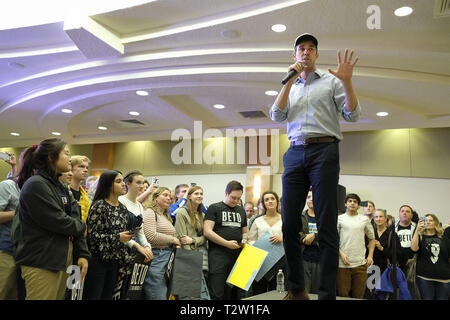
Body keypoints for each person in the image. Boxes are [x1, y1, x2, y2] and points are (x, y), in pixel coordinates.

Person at [269, 33, 361, 300]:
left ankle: (326, 293)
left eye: (311, 49)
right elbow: (276, 115)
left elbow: (352, 115)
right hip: (295, 151)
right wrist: (288, 81)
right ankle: (297, 289)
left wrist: (347, 82)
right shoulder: (291, 84)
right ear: (295, 56)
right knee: (288, 225)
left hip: (325, 150)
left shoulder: (332, 81)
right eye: (301, 49)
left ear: (317, 55)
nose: (306, 52)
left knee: (326, 224)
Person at [14, 139, 90, 300]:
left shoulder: (60, 187)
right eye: (66, 153)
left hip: (60, 260)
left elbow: (74, 215)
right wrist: (82, 227)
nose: (70, 159)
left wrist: (82, 253)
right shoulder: (36, 185)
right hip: (41, 262)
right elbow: (59, 221)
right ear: (51, 157)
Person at [83, 170, 137, 300]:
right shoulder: (99, 206)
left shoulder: (122, 208)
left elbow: (121, 239)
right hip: (97, 261)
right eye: (118, 181)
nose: (123, 184)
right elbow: (91, 236)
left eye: (123, 181)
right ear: (108, 185)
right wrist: (117, 237)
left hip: (114, 262)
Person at [203, 180, 248, 300]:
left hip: (236, 256)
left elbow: (245, 231)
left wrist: (244, 239)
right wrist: (226, 243)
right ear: (226, 193)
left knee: (232, 293)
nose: (236, 201)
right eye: (233, 197)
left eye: (238, 198)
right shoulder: (214, 208)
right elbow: (207, 231)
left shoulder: (241, 210)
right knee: (217, 292)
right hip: (218, 256)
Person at [141, 187, 180, 300]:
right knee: (157, 293)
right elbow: (150, 236)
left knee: (164, 293)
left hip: (166, 256)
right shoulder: (149, 212)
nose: (169, 198)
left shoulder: (165, 216)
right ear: (155, 197)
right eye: (165, 195)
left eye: (170, 197)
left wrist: (176, 241)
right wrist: (172, 240)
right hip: (156, 256)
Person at [337, 193, 375, 299]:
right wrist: (341, 253)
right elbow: (334, 240)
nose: (352, 203)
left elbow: (372, 239)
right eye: (350, 201)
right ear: (345, 204)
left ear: (358, 205)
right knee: (343, 296)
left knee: (358, 296)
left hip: (360, 264)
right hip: (343, 264)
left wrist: (370, 255)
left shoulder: (364, 219)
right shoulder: (339, 219)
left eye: (355, 201)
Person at [174, 185, 209, 299]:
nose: (199, 196)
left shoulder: (203, 215)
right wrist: (191, 261)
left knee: (200, 294)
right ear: (189, 196)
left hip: (202, 256)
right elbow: (182, 238)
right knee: (187, 294)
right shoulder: (182, 212)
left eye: (201, 193)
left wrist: (193, 240)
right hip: (187, 256)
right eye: (196, 193)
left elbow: (205, 238)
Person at [248, 191, 283, 295]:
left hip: (279, 261)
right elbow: (251, 240)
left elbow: (292, 238)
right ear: (263, 204)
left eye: (272, 198)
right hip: (261, 262)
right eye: (266, 200)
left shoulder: (285, 219)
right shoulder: (257, 221)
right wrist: (257, 244)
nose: (270, 201)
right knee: (259, 291)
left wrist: (282, 239)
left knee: (276, 292)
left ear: (277, 202)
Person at [411, 214, 450, 300]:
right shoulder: (420, 237)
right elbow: (413, 249)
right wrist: (417, 230)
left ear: (436, 223)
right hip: (425, 277)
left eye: (431, 220)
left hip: (444, 278)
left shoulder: (445, 239)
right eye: (425, 220)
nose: (428, 222)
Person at [119, 171, 153, 263]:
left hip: (133, 250)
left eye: (142, 183)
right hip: (120, 249)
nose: (142, 186)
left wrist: (147, 247)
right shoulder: (120, 201)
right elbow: (118, 231)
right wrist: (138, 246)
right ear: (128, 184)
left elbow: (140, 232)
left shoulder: (139, 205)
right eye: (138, 183)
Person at [299, 187, 320, 294]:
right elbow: (296, 233)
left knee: (317, 292)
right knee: (304, 291)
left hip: (320, 259)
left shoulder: (324, 216)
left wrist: (314, 236)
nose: (311, 199)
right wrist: (304, 238)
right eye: (308, 197)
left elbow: (330, 233)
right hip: (304, 258)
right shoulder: (300, 215)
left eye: (314, 197)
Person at [372, 209, 402, 275]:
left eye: (381, 216)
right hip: (372, 269)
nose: (378, 219)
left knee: (385, 285)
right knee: (372, 285)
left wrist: (382, 248)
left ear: (385, 218)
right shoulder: (371, 234)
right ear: (373, 219)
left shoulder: (392, 234)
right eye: (376, 217)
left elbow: (398, 254)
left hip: (387, 269)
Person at [68, 155, 91, 223]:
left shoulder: (85, 197)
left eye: (87, 167)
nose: (86, 170)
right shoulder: (63, 191)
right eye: (81, 166)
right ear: (71, 168)